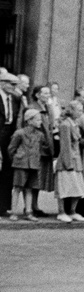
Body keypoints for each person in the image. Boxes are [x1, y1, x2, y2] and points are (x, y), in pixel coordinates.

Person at [7, 108, 44, 221]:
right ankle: (13, 212)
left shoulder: (40, 135)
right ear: (29, 120)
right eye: (37, 119)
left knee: (29, 188)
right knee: (17, 188)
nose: (40, 122)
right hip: (21, 165)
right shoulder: (19, 133)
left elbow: (40, 148)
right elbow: (11, 149)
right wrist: (18, 159)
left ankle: (28, 211)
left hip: (33, 164)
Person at [55, 101, 84, 223]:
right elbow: (65, 146)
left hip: (77, 160)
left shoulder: (75, 124)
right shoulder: (65, 125)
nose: (81, 112)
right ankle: (61, 212)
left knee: (77, 188)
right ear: (71, 111)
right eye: (79, 110)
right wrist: (68, 164)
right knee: (64, 188)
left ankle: (72, 211)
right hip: (67, 162)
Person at [26, 86, 55, 217]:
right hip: (37, 146)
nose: (48, 95)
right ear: (37, 95)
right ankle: (30, 206)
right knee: (34, 177)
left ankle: (35, 205)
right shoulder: (32, 108)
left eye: (49, 93)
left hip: (47, 145)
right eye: (45, 93)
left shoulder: (48, 108)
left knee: (40, 178)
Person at [0, 70, 24, 217]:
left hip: (10, 137)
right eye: (11, 84)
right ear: (2, 83)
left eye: (16, 84)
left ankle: (3, 206)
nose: (14, 87)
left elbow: (17, 118)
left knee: (8, 172)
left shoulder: (15, 98)